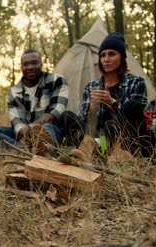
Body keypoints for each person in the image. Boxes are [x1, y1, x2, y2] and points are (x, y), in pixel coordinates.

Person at [60, 32, 149, 160]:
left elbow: (135, 116)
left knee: (132, 105)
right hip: (97, 139)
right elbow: (86, 124)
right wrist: (92, 109)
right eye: (102, 55)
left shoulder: (136, 82)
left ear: (122, 57)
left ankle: (95, 149)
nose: (106, 59)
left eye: (112, 54)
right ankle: (85, 150)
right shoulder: (92, 86)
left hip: (125, 141)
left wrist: (113, 103)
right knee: (66, 116)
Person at [0, 49, 68, 153]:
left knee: (47, 128)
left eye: (35, 63)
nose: (30, 67)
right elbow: (16, 122)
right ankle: (25, 150)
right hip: (23, 135)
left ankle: (33, 149)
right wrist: (23, 131)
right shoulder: (13, 91)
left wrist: (30, 128)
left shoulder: (58, 81)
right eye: (26, 64)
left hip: (50, 130)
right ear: (21, 67)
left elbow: (54, 113)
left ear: (41, 64)